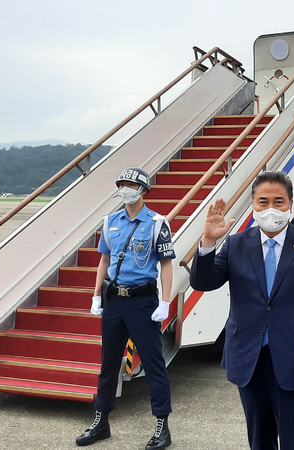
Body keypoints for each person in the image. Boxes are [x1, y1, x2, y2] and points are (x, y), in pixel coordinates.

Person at [190, 171, 294, 450]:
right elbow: (203, 282)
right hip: (249, 357)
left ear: (290, 203)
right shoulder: (236, 244)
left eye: (278, 201)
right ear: (253, 204)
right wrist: (208, 242)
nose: (271, 209)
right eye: (263, 202)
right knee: (259, 438)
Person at [76, 167, 176, 450]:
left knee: (154, 364)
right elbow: (104, 261)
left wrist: (165, 301)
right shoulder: (110, 222)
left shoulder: (157, 222)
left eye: (131, 184)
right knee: (108, 364)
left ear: (143, 189)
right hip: (114, 301)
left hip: (143, 301)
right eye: (122, 184)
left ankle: (162, 425)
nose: (125, 189)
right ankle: (101, 420)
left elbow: (166, 263)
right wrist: (96, 296)